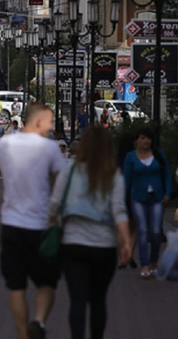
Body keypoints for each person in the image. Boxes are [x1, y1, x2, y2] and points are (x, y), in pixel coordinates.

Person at [49, 126, 131, 339]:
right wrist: (126, 244)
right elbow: (119, 211)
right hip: (104, 247)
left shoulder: (70, 170)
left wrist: (50, 225)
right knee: (98, 300)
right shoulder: (114, 175)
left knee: (77, 300)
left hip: (73, 244)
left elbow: (55, 203)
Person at [0, 103, 67, 339]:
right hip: (40, 225)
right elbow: (59, 184)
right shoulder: (50, 148)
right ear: (38, 121)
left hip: (11, 224)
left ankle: (23, 336)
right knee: (47, 283)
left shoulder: (5, 144)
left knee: (16, 286)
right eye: (49, 122)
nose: (50, 127)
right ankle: (38, 320)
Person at [123, 127, 172, 279]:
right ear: (137, 140)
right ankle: (144, 265)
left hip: (156, 196)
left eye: (149, 138)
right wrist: (124, 198)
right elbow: (127, 179)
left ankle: (154, 262)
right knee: (142, 231)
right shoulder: (130, 157)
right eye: (143, 138)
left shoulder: (158, 154)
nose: (146, 141)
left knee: (156, 232)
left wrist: (167, 193)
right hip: (138, 197)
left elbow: (167, 174)